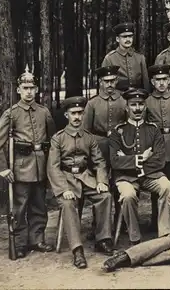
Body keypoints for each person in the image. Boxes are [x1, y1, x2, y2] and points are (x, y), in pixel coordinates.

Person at [0, 67, 56, 259]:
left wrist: (52, 166)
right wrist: (2, 168)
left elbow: (53, 140)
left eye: (32, 88)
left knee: (39, 205)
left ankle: (37, 239)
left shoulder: (44, 112)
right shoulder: (11, 113)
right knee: (19, 207)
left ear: (36, 90)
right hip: (20, 168)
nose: (29, 91)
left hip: (41, 166)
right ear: (18, 90)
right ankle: (19, 243)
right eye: (25, 88)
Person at [47, 96, 114, 269]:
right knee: (68, 204)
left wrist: (101, 181)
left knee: (105, 196)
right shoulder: (58, 139)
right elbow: (53, 167)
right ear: (66, 116)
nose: (77, 117)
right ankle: (77, 250)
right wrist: (62, 189)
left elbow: (99, 162)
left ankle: (103, 239)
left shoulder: (89, 138)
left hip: (85, 177)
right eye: (73, 113)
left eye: (80, 113)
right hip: (67, 180)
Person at [109, 88, 170, 245]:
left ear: (145, 107)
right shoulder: (118, 132)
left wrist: (130, 161)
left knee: (167, 186)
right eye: (133, 105)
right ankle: (135, 237)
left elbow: (160, 160)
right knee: (128, 195)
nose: (137, 108)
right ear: (127, 108)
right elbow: (114, 161)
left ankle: (164, 234)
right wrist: (141, 158)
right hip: (126, 178)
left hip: (151, 175)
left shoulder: (153, 130)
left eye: (140, 104)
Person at [82, 65, 128, 160]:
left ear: (116, 81)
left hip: (120, 144)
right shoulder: (92, 103)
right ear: (100, 82)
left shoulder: (124, 101)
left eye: (112, 81)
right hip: (98, 144)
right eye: (106, 81)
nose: (109, 84)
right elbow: (85, 130)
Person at [102, 22, 149, 92]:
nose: (128, 39)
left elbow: (146, 83)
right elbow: (104, 84)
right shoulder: (109, 58)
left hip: (137, 98)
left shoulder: (140, 57)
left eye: (130, 36)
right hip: (117, 99)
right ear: (117, 39)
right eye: (124, 37)